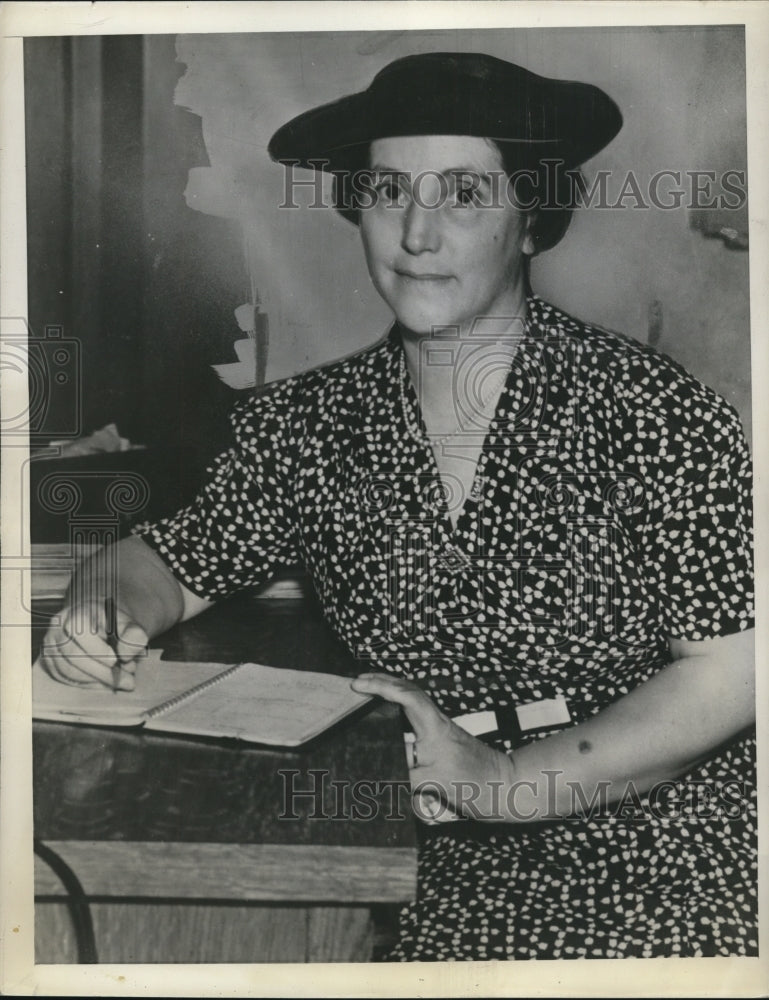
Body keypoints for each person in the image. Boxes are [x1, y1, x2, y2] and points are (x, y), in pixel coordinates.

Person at [41, 52, 756, 961]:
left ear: (530, 219)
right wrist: (101, 610)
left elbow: (733, 671)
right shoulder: (306, 423)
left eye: (462, 195)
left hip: (659, 832)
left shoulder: (654, 411)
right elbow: (165, 563)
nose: (416, 234)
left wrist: (503, 782)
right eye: (387, 192)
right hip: (424, 842)